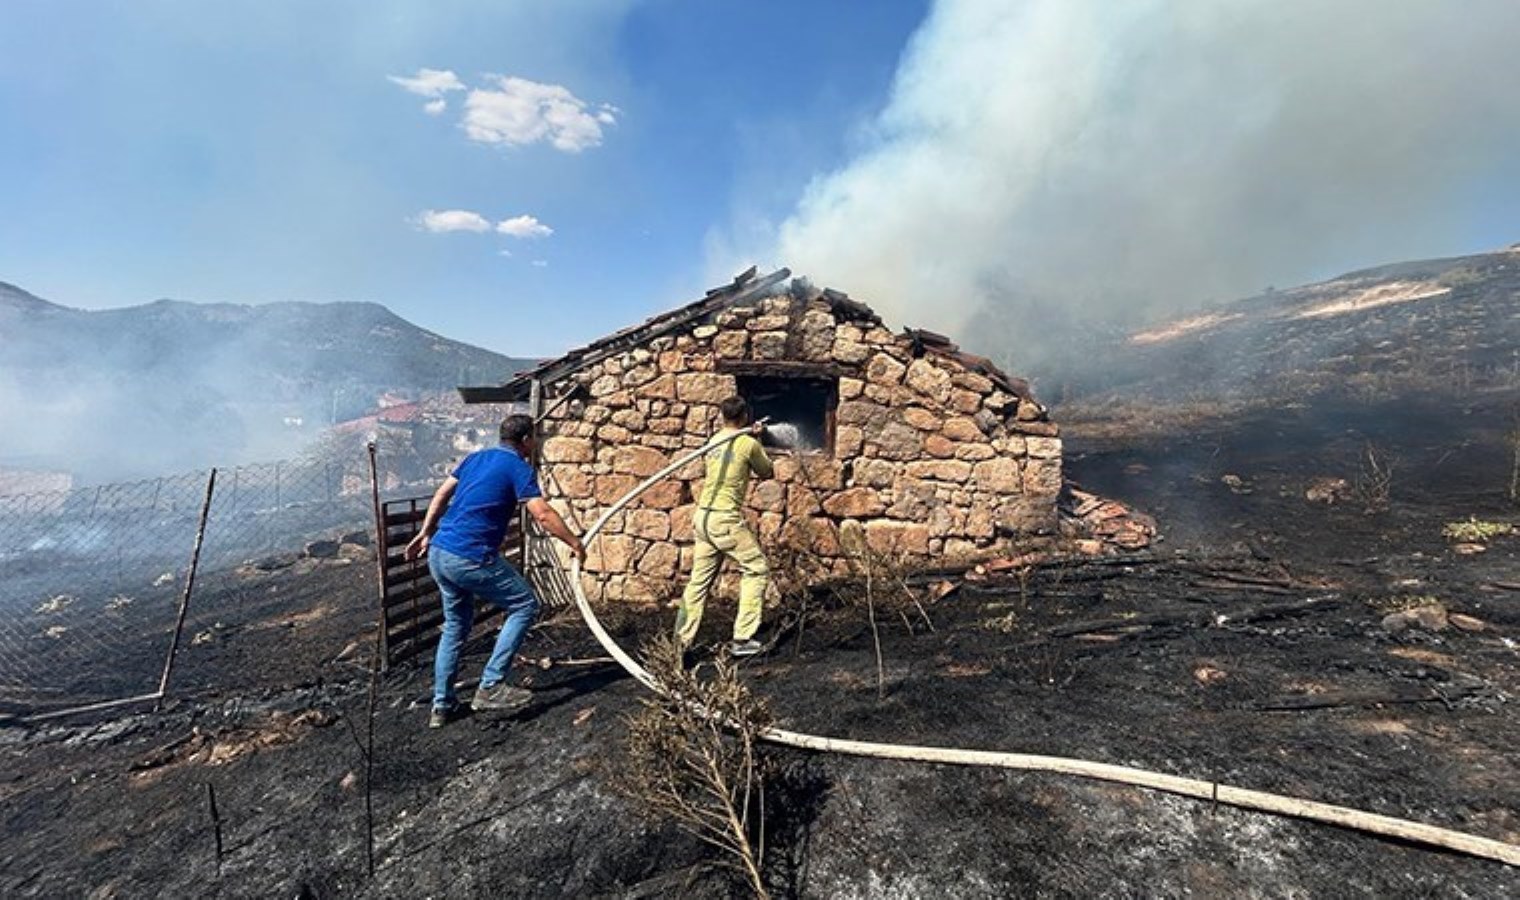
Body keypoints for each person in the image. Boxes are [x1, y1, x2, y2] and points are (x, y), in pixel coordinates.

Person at [405, 414, 585, 728]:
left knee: (455, 627)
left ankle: (442, 706)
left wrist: (425, 532)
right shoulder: (519, 467)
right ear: (527, 440)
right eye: (534, 440)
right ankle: (490, 685)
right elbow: (541, 514)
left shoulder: (475, 458)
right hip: (470, 555)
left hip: (439, 552)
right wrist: (574, 542)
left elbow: (441, 494)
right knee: (525, 605)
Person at [675, 396, 773, 657]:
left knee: (698, 582)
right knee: (756, 569)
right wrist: (757, 439)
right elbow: (766, 472)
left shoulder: (714, 441)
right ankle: (742, 639)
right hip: (725, 520)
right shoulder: (747, 443)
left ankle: (680, 640)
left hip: (703, 518)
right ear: (744, 416)